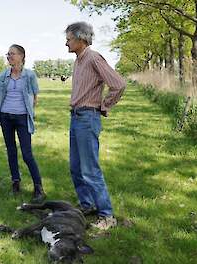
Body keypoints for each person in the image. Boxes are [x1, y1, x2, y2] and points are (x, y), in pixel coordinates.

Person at [65, 22, 126, 230]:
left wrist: (104, 105)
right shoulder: (78, 61)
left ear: (81, 39)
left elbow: (118, 84)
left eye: (69, 38)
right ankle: (87, 205)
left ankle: (107, 216)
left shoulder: (93, 58)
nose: (66, 42)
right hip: (75, 118)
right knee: (75, 167)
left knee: (90, 170)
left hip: (87, 119)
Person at [0, 44, 46, 203]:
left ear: (22, 56)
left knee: (27, 153)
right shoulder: (3, 75)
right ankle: (15, 182)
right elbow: (1, 95)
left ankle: (38, 187)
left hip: (22, 117)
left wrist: (30, 112)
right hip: (6, 116)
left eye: (12, 54)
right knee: (11, 150)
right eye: (8, 54)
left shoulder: (29, 75)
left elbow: (35, 97)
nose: (9, 56)